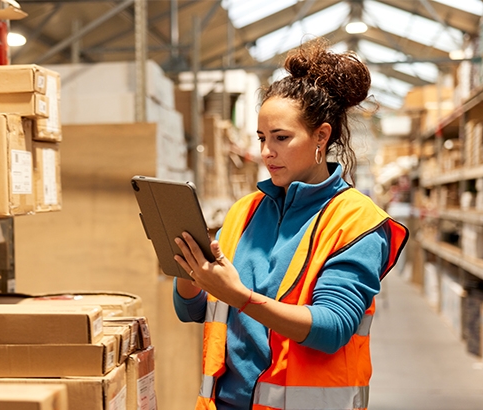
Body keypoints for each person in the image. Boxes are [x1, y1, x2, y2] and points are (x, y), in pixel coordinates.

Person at [172, 37, 409, 410]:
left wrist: (241, 297)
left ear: (321, 136)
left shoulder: (357, 221)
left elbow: (331, 328)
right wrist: (189, 270)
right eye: (262, 138)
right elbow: (195, 310)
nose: (267, 151)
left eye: (281, 138)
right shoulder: (244, 212)